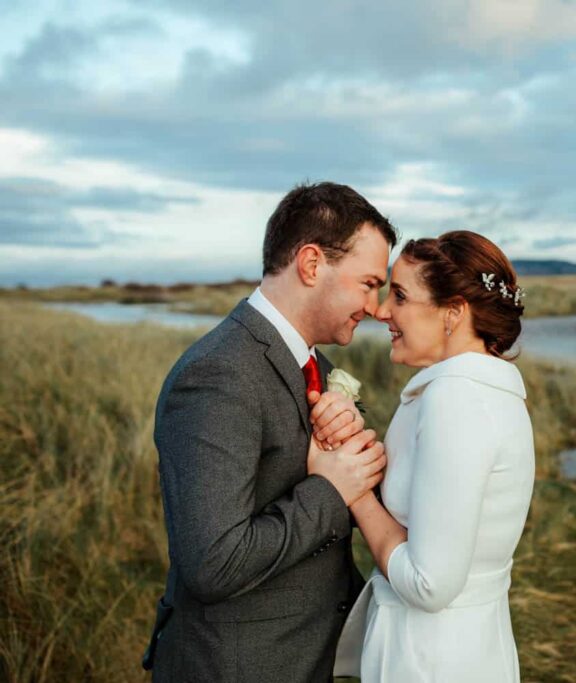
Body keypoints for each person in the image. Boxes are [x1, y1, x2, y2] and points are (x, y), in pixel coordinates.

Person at [144, 182, 396, 682]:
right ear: (311, 264)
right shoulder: (217, 374)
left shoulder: (313, 365)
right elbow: (213, 563)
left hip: (303, 657)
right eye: (369, 283)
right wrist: (330, 489)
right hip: (237, 666)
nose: (375, 305)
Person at [332, 230, 535, 682]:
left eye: (400, 295)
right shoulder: (488, 389)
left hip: (430, 659)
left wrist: (357, 493)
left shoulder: (457, 399)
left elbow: (430, 584)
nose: (381, 310)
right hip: (471, 645)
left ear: (453, 313)